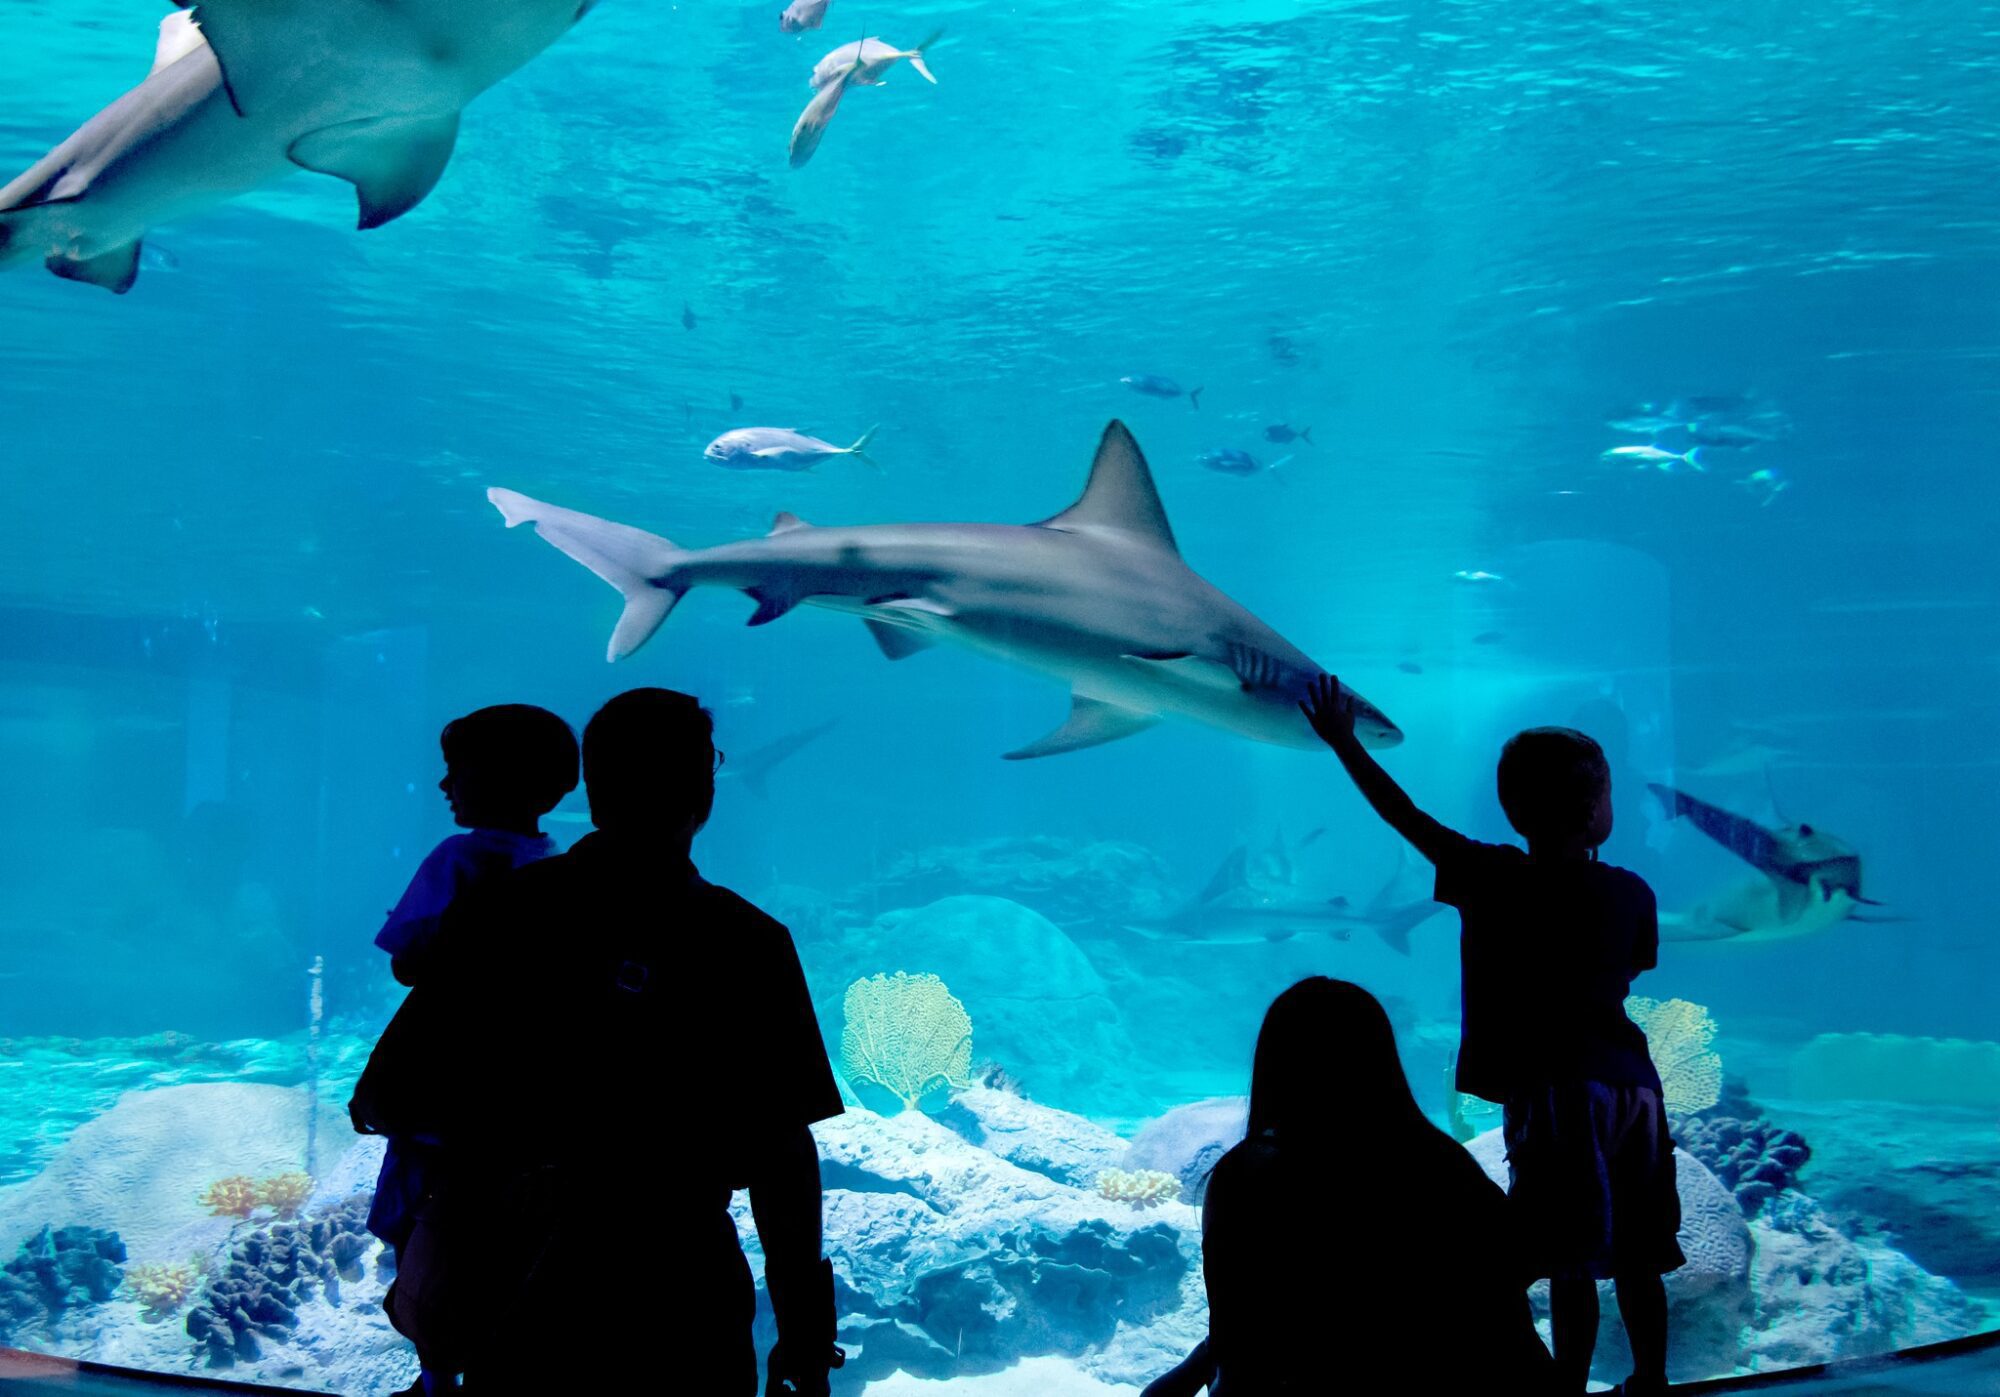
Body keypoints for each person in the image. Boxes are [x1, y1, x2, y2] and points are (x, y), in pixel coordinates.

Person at [351, 688, 845, 1396]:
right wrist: (803, 1328)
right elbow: (782, 1157)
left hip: (522, 1288)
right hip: (684, 1297)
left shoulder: (501, 911)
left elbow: (389, 1093)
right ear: (705, 790)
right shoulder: (748, 942)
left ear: (592, 784)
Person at [1301, 674, 1681, 1397]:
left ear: (1510, 808)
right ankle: (1652, 1381)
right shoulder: (1632, 891)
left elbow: (1404, 816)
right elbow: (1633, 967)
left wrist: (1344, 742)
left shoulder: (1487, 873)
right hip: (1634, 1087)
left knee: (1569, 1255)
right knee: (1638, 1252)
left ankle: (1566, 1386)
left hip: (1553, 1087)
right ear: (1602, 809)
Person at [1143, 978, 1552, 1395]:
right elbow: (1513, 1274)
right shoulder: (1447, 1163)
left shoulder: (1249, 1174)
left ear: (1276, 1065)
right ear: (1383, 1061)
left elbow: (1242, 1336)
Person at [364, 703, 579, 1397]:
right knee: (505, 1250)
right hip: (518, 1105)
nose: (443, 785)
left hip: (441, 1097)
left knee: (425, 1232)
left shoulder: (459, 857)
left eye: (455, 770)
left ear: (492, 777)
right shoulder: (554, 864)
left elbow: (405, 960)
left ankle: (434, 1381)